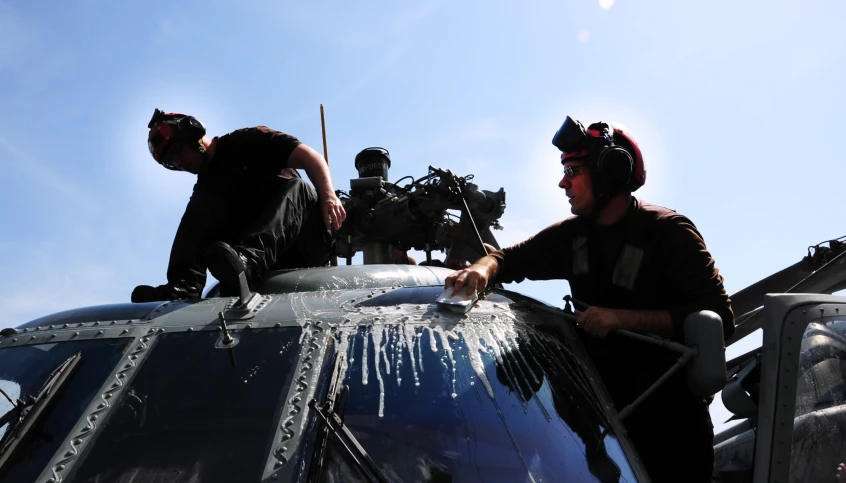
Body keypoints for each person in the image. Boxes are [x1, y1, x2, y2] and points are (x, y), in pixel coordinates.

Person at [444, 115, 735, 482]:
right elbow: (508, 259)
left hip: (669, 427)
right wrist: (482, 269)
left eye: (573, 170)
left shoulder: (668, 233)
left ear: (610, 172)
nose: (563, 182)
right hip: (601, 430)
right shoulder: (572, 237)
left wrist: (622, 319)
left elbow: (720, 318)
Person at [132, 109, 346, 302]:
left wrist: (328, 197)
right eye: (170, 163)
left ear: (191, 132)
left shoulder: (248, 141)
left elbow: (309, 156)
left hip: (304, 242)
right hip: (266, 258)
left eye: (177, 153)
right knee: (197, 211)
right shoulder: (206, 188)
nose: (178, 164)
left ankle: (246, 262)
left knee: (300, 189)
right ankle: (183, 286)